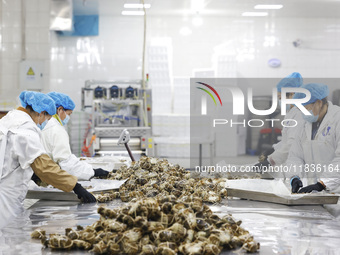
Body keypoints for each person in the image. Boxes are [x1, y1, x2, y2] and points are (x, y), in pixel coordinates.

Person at [0, 91, 96, 229]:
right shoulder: (25, 131)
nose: (45, 123)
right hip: (6, 197)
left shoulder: (9, 119)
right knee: (7, 236)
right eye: (47, 119)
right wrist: (76, 186)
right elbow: (45, 167)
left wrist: (34, 176)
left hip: (5, 184)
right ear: (41, 113)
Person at [40, 92, 109, 181]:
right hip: (49, 180)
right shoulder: (57, 130)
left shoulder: (45, 125)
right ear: (60, 110)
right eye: (69, 114)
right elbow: (67, 165)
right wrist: (93, 172)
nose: (69, 117)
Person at [287, 83, 340, 194]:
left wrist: (323, 183)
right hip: (314, 193)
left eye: (305, 108)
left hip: (336, 193)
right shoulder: (304, 125)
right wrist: (294, 177)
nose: (303, 113)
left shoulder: (337, 120)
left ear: (319, 103)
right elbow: (295, 156)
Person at [254, 72, 305, 170]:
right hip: (290, 163)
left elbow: (292, 145)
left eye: (280, 98)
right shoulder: (291, 113)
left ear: (292, 94)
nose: (280, 101)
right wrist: (273, 148)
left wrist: (270, 161)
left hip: (298, 165)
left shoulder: (299, 114)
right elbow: (286, 141)